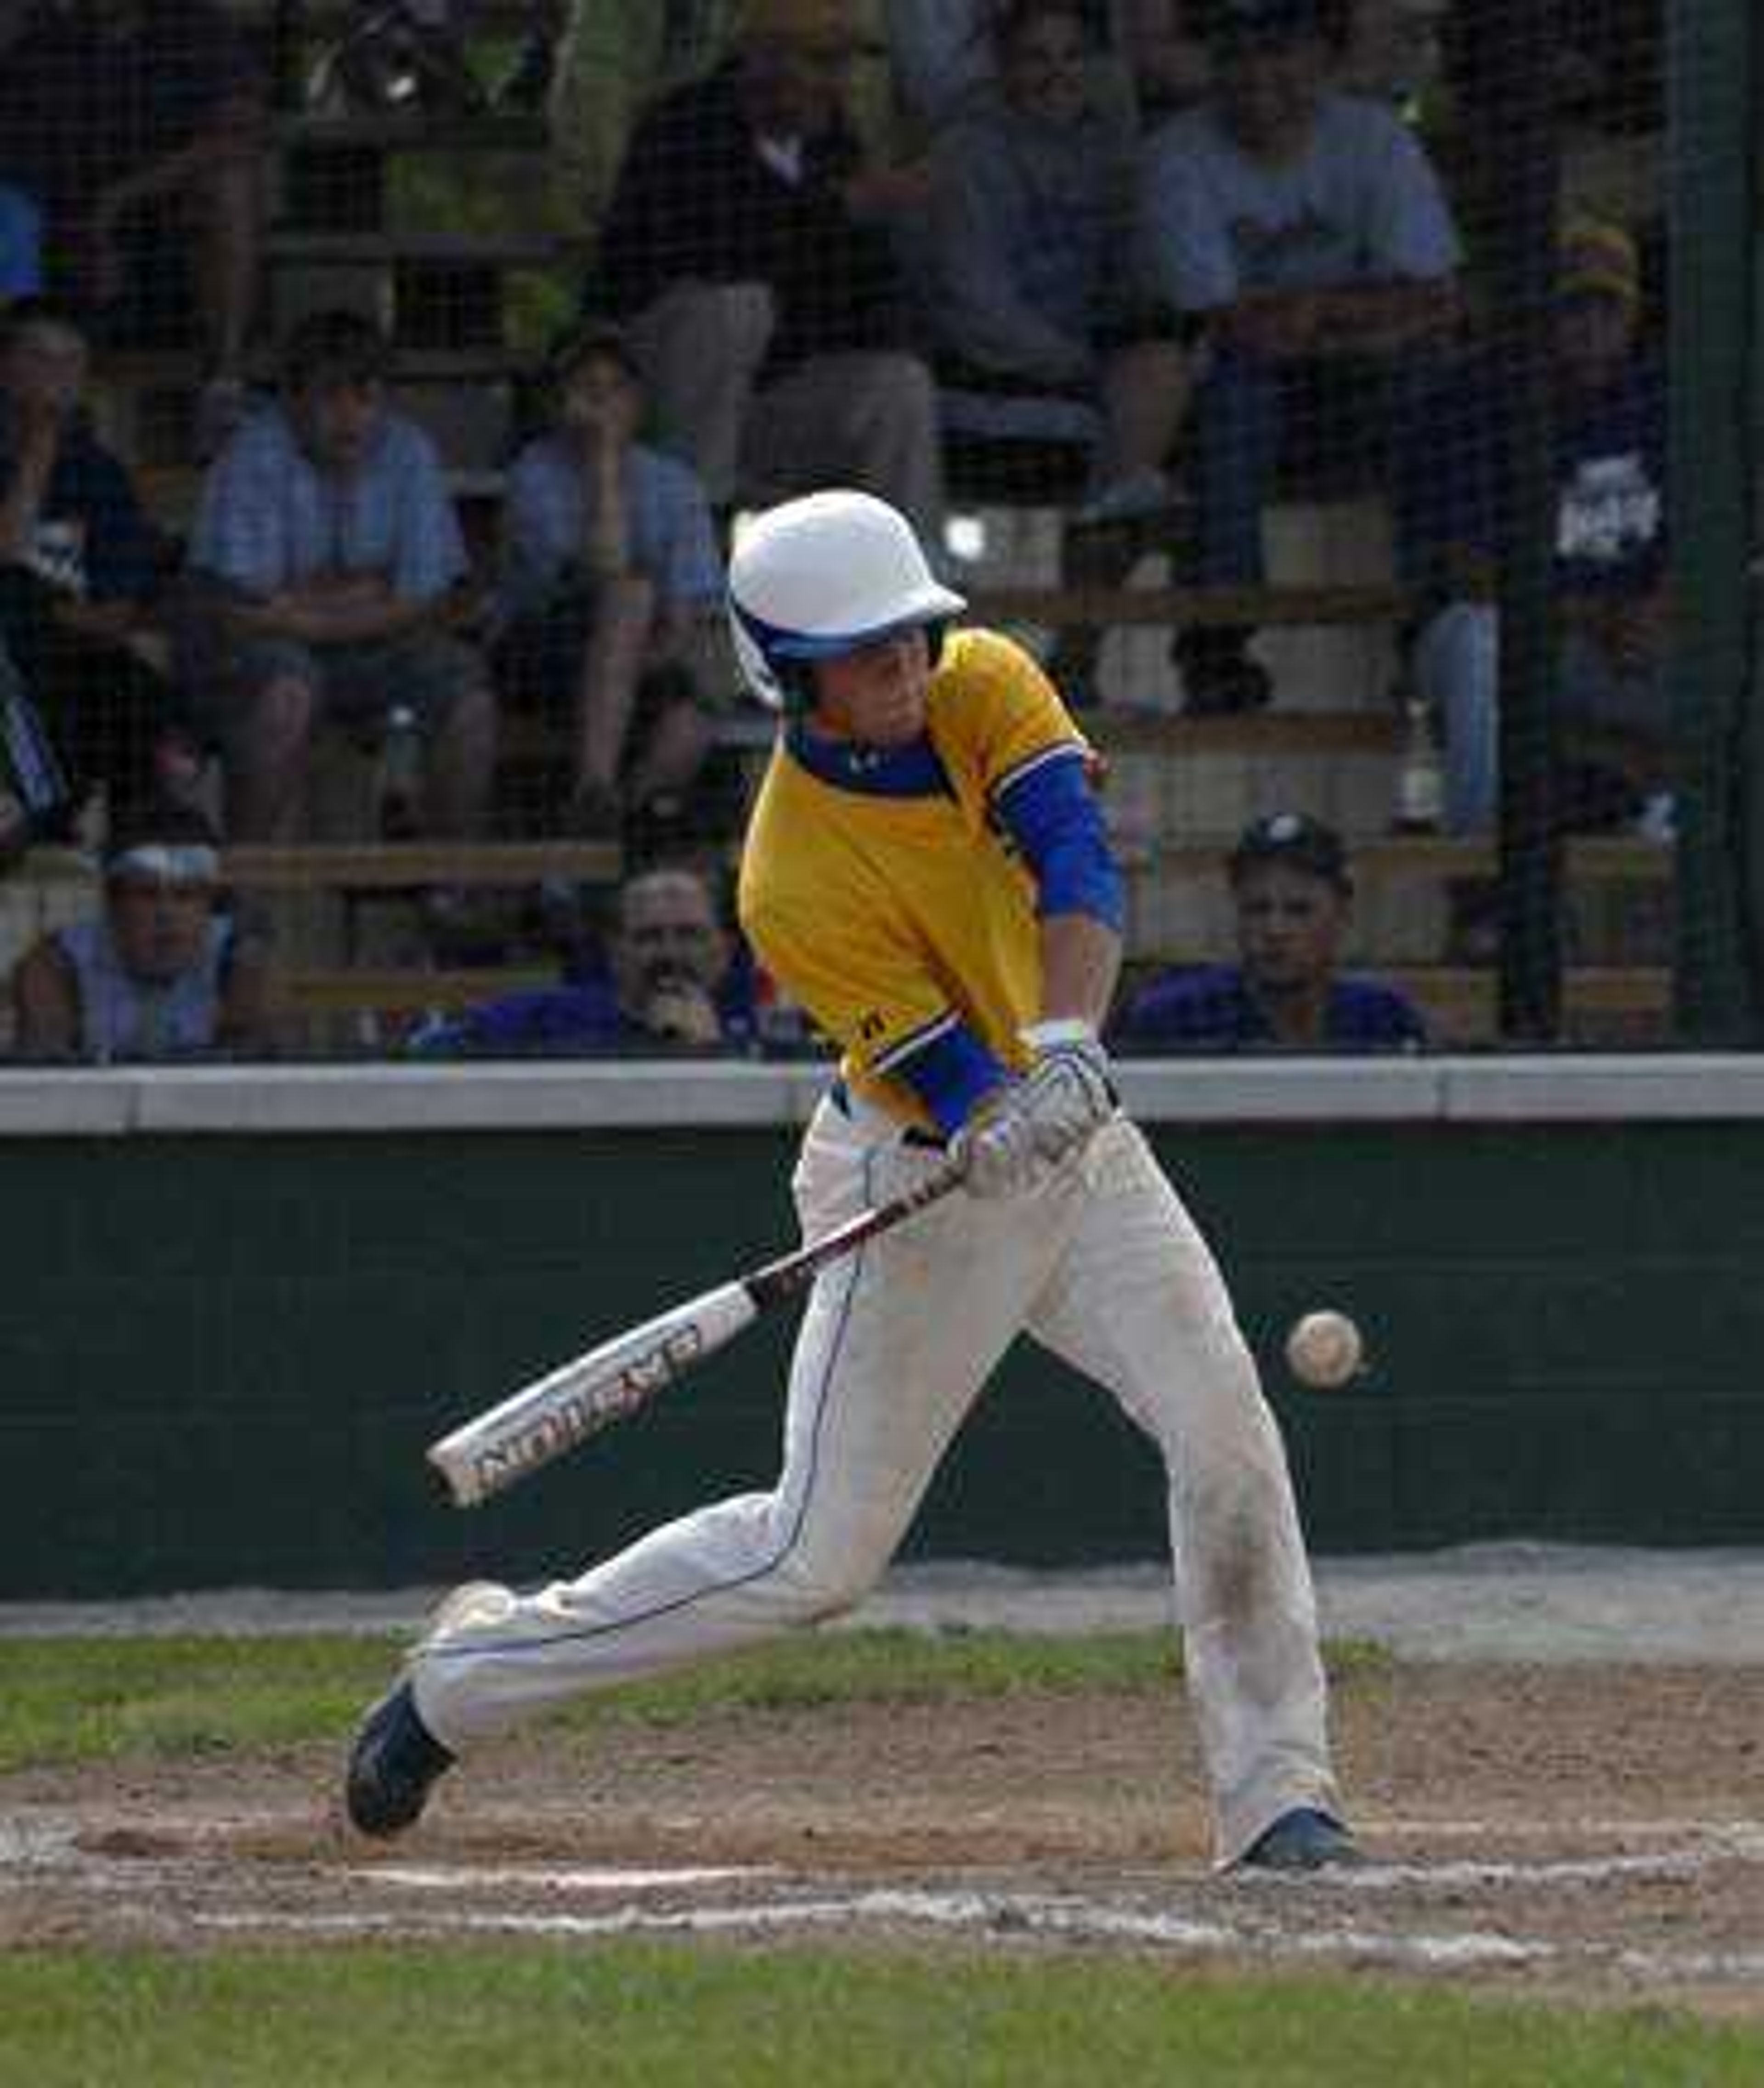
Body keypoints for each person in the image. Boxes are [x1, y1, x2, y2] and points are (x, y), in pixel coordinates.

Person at [345, 487, 1358, 1877]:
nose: (901, 672)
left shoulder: (980, 681)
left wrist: (1062, 1048)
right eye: (865, 657)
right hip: (924, 1173)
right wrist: (993, 1110)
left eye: (907, 641)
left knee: (1224, 1430)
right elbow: (950, 1085)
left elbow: (1073, 861)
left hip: (1076, 1138)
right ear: (787, 675)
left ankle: (1278, 1800)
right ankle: (462, 1684)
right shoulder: (787, 878)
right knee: (810, 1561)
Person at [1137, 0, 1462, 711]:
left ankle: (1431, 632)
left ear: (1323, 56)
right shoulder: (1177, 154)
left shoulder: (1376, 141)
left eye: (1280, 49)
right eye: (1240, 52)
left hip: (1363, 386)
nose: (1261, 73)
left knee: (1434, 388)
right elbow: (1225, 323)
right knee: (1233, 396)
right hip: (1232, 396)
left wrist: (1319, 316)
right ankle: (1220, 647)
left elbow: (1436, 297)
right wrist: (1362, 310)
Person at [589, 0, 944, 543]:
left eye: (842, 64)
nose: (838, 81)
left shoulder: (832, 144)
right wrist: (834, 211)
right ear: (765, 60)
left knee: (898, 385)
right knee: (733, 310)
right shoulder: (684, 127)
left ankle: (908, 587)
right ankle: (695, 542)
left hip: (766, 412)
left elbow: (853, 303)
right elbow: (715, 259)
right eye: (823, 62)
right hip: (652, 406)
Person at [178, 310, 497, 845]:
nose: (351, 417)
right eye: (332, 397)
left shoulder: (410, 450)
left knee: (469, 696)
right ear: (294, 400)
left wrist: (307, 609)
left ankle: (455, 887)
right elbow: (245, 609)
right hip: (247, 654)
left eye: (366, 397)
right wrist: (370, 592)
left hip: (370, 649)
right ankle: (244, 889)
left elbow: (429, 598)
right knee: (288, 692)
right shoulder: (252, 453)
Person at [1401, 218, 1671, 837]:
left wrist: (1661, 611)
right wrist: (1590, 617)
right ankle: (1482, 869)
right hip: (1525, 641)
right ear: (1537, 315)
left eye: (1608, 306)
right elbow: (1468, 575)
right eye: (1573, 306)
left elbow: (1711, 538)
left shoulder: (1666, 396)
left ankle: (1701, 827)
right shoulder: (1474, 400)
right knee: (1478, 641)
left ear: (1633, 316)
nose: (1590, 323)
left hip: (1641, 646)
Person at [918, 2, 1191, 526]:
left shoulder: (1110, 150)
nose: (1057, 74)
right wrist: (1077, 364)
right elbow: (974, 306)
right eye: (1036, 58)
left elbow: (1135, 272)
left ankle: (1116, 509)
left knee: (1168, 354)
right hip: (991, 371)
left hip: (1089, 360)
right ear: (1004, 67)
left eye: (1072, 56)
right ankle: (1112, 512)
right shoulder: (965, 154)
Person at [496, 322, 727, 842]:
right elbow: (604, 570)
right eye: (587, 389)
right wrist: (602, 462)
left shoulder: (676, 485)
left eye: (616, 388)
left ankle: (604, 821)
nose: (603, 402)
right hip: (541, 655)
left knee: (690, 723)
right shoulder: (533, 475)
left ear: (639, 401)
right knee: (630, 592)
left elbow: (683, 620)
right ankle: (595, 780)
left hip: (637, 662)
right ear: (559, 402)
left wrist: (628, 669)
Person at [0, 0, 266, 444]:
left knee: (231, 185)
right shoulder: (45, 40)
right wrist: (82, 235)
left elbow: (239, 135)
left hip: (169, 256)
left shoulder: (197, 26)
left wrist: (117, 202)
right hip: (66, 256)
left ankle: (225, 385)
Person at [0, 298, 181, 837]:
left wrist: (39, 612)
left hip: (64, 660)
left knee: (137, 692)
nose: (55, 376)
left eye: (71, 363)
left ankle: (137, 854)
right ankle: (38, 815)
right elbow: (7, 550)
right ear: (3, 367)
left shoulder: (101, 475)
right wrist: (39, 445)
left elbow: (118, 614)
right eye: (38, 357)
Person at [1113, 810, 1428, 1050]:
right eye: (1257, 909)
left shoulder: (1385, 1020)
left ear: (1342, 914)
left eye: (1299, 911)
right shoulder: (1175, 1021)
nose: (1275, 929)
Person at [408, 861, 758, 1056]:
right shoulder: (549, 1017)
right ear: (616, 953)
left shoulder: (762, 1025)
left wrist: (714, 1050)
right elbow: (429, 1047)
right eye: (648, 937)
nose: (670, 952)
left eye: (689, 935)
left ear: (724, 951)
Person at [8, 805, 270, 1059]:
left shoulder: (239, 960)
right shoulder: (57, 968)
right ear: (113, 903)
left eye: (185, 896)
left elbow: (255, 1086)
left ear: (210, 905)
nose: (167, 914)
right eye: (147, 895)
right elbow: (52, 1088)